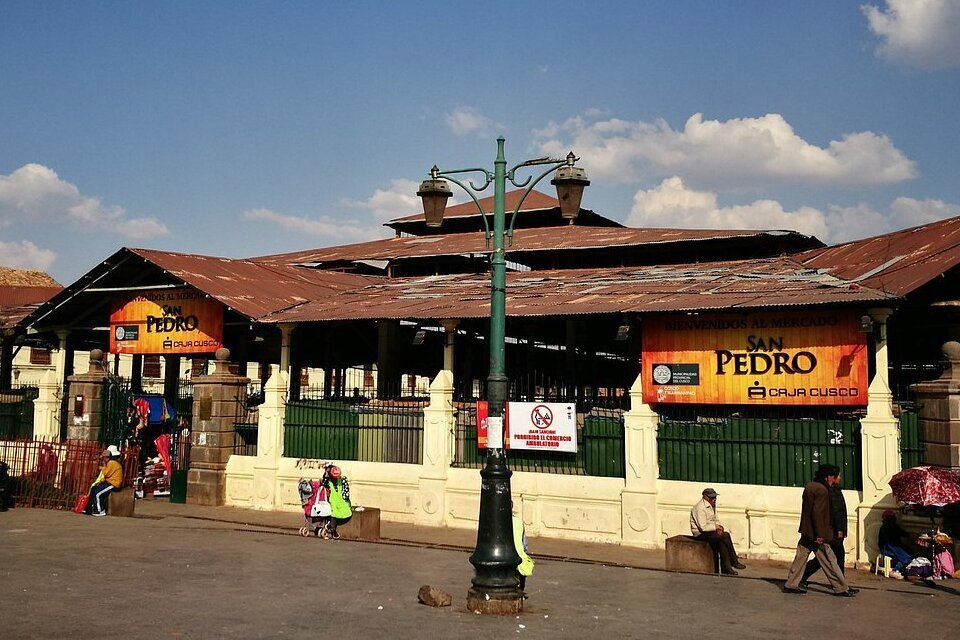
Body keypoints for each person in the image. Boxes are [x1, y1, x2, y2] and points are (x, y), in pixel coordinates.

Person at [784, 464, 857, 596]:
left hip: (806, 530)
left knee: (800, 558)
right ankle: (840, 587)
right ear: (828, 477)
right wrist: (820, 534)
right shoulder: (822, 490)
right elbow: (819, 513)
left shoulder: (810, 486)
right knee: (830, 560)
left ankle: (791, 583)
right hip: (818, 533)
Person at [800, 464, 848, 585]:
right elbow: (833, 511)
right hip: (829, 530)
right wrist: (838, 529)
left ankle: (801, 577)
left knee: (825, 558)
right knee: (831, 557)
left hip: (827, 530)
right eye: (838, 476)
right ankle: (841, 584)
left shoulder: (832, 489)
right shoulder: (828, 490)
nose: (839, 478)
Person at [690, 488, 746, 575]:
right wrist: (716, 527)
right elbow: (703, 527)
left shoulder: (712, 507)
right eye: (712, 498)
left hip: (710, 531)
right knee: (725, 536)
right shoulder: (699, 508)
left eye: (715, 498)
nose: (714, 500)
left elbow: (716, 519)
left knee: (722, 541)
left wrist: (719, 527)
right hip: (700, 534)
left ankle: (726, 568)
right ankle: (734, 561)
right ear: (705, 498)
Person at [87, 445, 123, 517]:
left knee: (98, 493)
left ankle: (100, 510)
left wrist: (102, 467)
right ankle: (91, 508)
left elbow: (106, 473)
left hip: (113, 483)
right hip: (109, 481)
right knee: (94, 489)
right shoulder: (112, 463)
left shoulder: (112, 463)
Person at [878, 510, 915, 578]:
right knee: (907, 557)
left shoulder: (889, 526)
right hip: (888, 548)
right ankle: (895, 570)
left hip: (893, 546)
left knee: (909, 554)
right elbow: (898, 534)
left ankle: (898, 569)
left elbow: (901, 533)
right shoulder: (888, 526)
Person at [512, 502, 535, 599]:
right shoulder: (519, 522)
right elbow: (524, 543)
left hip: (507, 556)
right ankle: (520, 592)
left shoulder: (499, 523)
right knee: (520, 576)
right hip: (519, 556)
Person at [324, 465, 352, 539]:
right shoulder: (328, 481)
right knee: (335, 513)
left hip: (342, 500)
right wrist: (326, 474)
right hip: (332, 500)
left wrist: (346, 498)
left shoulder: (342, 480)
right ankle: (333, 530)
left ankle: (330, 525)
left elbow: (346, 490)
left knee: (347, 514)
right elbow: (324, 484)